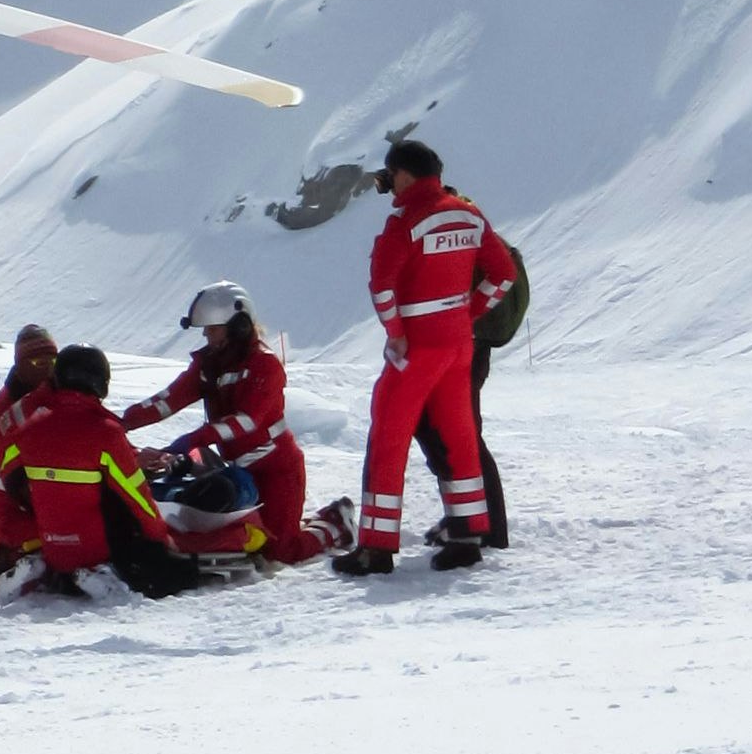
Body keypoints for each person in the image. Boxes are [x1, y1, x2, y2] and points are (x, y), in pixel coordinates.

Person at [334, 140, 516, 576]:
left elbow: (382, 285)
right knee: (459, 437)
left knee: (388, 439)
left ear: (404, 176)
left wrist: (396, 334)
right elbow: (503, 273)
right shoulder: (469, 213)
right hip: (457, 343)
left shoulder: (405, 221)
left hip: (418, 344)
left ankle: (376, 547)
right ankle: (467, 535)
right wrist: (467, 312)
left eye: (391, 175)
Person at [122, 282, 356, 565]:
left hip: (277, 469)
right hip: (238, 469)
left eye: (213, 328)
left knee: (279, 553)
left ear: (239, 326)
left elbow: (247, 420)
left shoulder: (265, 365)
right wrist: (120, 423)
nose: (207, 334)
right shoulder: (209, 364)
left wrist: (194, 440)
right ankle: (294, 524)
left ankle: (335, 525)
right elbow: (169, 399)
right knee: (247, 538)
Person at [8, 346, 199, 598]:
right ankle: (106, 579)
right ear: (100, 381)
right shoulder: (106, 431)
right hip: (96, 550)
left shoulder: (28, 429)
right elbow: (137, 495)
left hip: (54, 547)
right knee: (181, 572)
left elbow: (7, 477)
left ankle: (47, 572)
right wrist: (161, 538)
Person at [414, 205, 521, 550]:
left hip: (462, 345)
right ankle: (467, 516)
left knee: (457, 434)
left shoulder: (450, 230)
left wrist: (464, 319)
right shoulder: (468, 224)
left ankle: (484, 526)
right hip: (468, 344)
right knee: (450, 432)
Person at [0, 324, 59, 580]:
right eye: (35, 361)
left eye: (51, 360)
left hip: (44, 497)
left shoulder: (61, 392)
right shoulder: (1, 414)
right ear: (20, 364)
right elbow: (14, 479)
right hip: (10, 505)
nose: (45, 367)